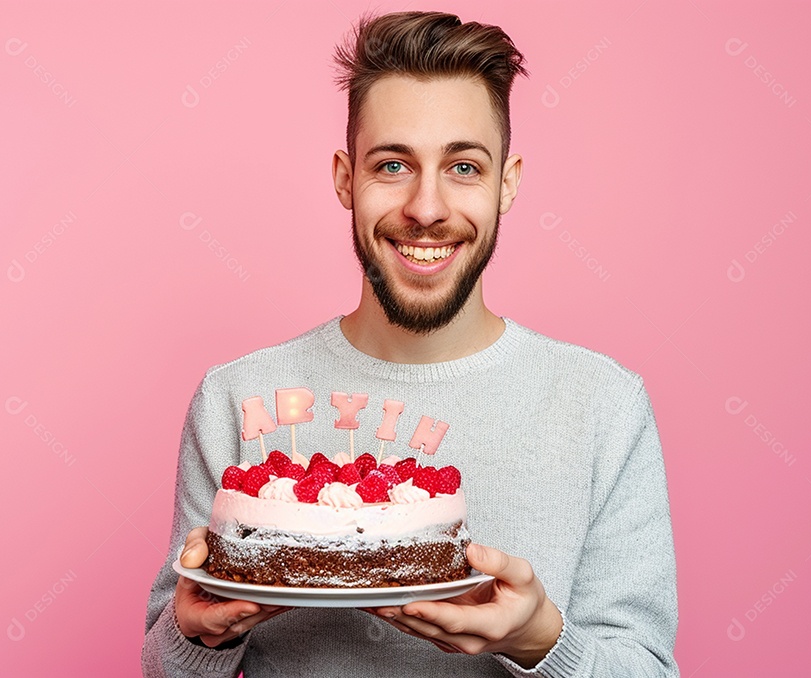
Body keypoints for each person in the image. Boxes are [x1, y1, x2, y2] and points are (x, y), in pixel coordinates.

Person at [143, 11, 678, 677]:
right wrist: (199, 639)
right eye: (393, 165)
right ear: (346, 178)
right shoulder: (235, 397)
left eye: (463, 166)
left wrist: (540, 638)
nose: (427, 208)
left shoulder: (604, 405)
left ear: (507, 182)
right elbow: (167, 660)